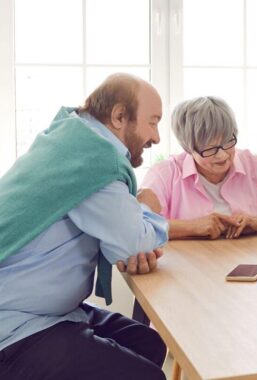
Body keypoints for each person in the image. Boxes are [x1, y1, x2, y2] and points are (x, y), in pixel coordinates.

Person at [0, 73, 169, 379]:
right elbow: (133, 245)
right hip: (16, 327)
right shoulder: (94, 160)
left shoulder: (71, 142)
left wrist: (134, 221)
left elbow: (120, 240)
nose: (156, 137)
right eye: (153, 121)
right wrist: (147, 206)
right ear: (119, 116)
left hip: (48, 312)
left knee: (148, 342)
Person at [139, 96, 257, 240]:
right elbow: (141, 225)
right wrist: (192, 227)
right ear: (188, 148)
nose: (222, 155)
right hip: (188, 267)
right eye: (210, 149)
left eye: (227, 142)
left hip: (251, 259)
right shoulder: (164, 174)